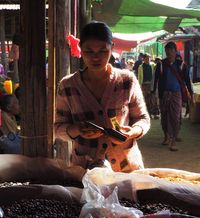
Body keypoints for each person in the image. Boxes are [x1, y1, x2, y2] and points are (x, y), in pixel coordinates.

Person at [54, 21, 150, 172]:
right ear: (80, 49)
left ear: (112, 48)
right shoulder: (68, 86)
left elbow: (143, 119)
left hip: (126, 165)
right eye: (89, 51)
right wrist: (77, 129)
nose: (96, 57)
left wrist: (132, 132)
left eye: (103, 51)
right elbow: (58, 127)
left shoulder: (126, 80)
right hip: (85, 167)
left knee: (127, 196)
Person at [153, 41, 194, 151]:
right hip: (164, 95)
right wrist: (154, 94)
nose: (169, 52)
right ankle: (166, 136)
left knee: (175, 118)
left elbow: (188, 82)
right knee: (164, 117)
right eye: (167, 50)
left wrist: (192, 96)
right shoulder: (161, 64)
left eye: (171, 50)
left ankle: (173, 141)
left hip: (177, 94)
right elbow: (155, 80)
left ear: (175, 51)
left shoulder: (181, 65)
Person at [138, 53, 159, 119]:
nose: (147, 59)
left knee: (154, 99)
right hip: (144, 85)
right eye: (146, 58)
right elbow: (139, 77)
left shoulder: (153, 65)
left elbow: (158, 67)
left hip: (152, 84)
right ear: (143, 59)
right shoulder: (141, 67)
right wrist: (140, 85)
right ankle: (148, 114)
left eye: (148, 58)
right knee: (146, 100)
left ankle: (156, 114)